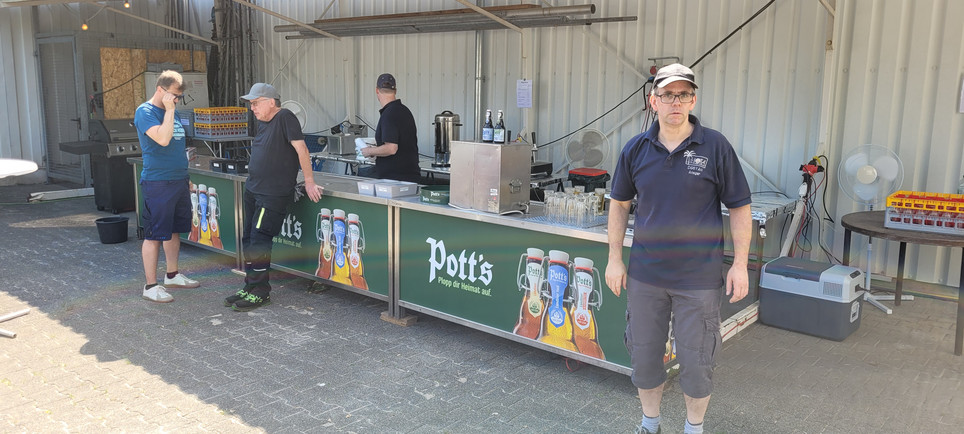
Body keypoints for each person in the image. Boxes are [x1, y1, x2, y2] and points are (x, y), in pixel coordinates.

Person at [604, 63, 752, 434]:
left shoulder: (715, 146)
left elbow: (739, 206)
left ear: (693, 100)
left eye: (683, 94)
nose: (676, 102)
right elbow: (619, 204)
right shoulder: (636, 149)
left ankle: (693, 428)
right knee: (644, 358)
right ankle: (649, 424)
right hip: (646, 277)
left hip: (698, 280)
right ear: (653, 101)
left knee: (697, 362)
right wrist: (614, 259)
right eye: (668, 94)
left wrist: (740, 265)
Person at [223, 83, 324, 312]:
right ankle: (250, 285)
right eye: (250, 104)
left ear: (271, 102)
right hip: (253, 190)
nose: (252, 108)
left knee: (259, 240)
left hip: (271, 194)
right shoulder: (263, 122)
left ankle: (261, 292)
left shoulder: (285, 117)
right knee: (249, 239)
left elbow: (302, 149)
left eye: (255, 103)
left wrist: (309, 181)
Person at [134, 70, 201, 303]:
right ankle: (150, 286)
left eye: (179, 97)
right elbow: (162, 139)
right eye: (174, 95)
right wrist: (170, 110)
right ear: (160, 90)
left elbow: (176, 148)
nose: (176, 100)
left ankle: (172, 275)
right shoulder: (145, 112)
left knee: (174, 230)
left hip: (178, 179)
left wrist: (185, 176)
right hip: (158, 181)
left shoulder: (173, 111)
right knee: (154, 234)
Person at [359, 73, 421, 183]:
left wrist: (369, 151)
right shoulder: (405, 111)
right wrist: (376, 151)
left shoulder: (389, 114)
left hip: (394, 181)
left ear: (377, 90)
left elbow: (391, 148)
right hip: (410, 177)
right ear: (395, 91)